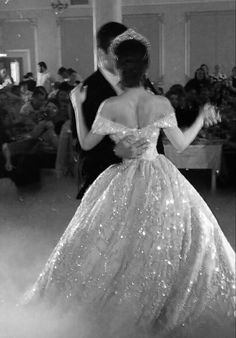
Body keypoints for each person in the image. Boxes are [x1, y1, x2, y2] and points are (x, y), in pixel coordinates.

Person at [21, 29, 235, 338]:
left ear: (119, 67)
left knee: (116, 242)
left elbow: (85, 142)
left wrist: (77, 104)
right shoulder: (160, 102)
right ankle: (162, 303)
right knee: (167, 242)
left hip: (120, 178)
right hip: (161, 178)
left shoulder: (109, 106)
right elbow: (182, 144)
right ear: (145, 68)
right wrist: (201, 117)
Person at [75, 21, 159, 199]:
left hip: (148, 181)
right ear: (101, 53)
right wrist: (116, 152)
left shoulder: (141, 80)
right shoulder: (85, 91)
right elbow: (83, 149)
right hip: (106, 189)